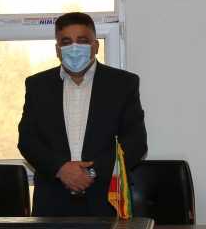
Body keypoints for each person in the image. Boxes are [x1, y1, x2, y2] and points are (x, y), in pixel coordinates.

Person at [17, 12, 147, 217]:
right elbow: (27, 141)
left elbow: (135, 143)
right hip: (51, 202)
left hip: (107, 200)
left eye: (82, 41)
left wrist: (90, 173)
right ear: (57, 50)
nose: (74, 47)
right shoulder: (37, 86)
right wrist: (61, 169)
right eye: (66, 42)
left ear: (95, 46)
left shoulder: (123, 84)